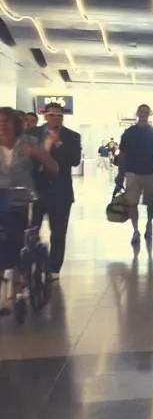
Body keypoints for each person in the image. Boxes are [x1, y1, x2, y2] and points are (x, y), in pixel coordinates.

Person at [0, 108, 58, 294]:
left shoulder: (30, 142)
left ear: (16, 124)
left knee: (15, 231)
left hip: (21, 197)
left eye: (6, 121)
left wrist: (38, 154)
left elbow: (53, 167)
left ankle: (16, 270)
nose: (2, 125)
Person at [31, 102, 80, 280]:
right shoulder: (33, 134)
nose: (55, 118)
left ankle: (54, 268)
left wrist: (58, 145)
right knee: (31, 230)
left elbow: (75, 160)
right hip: (35, 190)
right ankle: (33, 263)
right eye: (52, 115)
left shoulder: (72, 137)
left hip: (61, 191)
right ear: (45, 116)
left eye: (59, 115)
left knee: (58, 232)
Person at [117, 104, 153, 248]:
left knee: (151, 203)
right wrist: (120, 175)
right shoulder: (129, 133)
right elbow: (122, 155)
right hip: (132, 172)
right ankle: (135, 231)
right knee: (132, 203)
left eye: (146, 112)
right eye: (141, 111)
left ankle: (149, 223)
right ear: (137, 113)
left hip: (151, 173)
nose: (143, 114)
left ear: (149, 114)